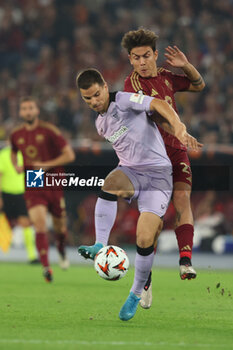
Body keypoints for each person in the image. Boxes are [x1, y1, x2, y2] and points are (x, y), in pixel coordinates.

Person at [76, 68, 201, 321]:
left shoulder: (123, 100)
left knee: (145, 239)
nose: (94, 102)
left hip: (158, 176)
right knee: (110, 181)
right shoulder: (100, 123)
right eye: (87, 99)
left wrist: (178, 126)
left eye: (97, 94)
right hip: (131, 172)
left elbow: (155, 103)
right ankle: (100, 245)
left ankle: (135, 293)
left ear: (104, 86)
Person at [121, 28, 205, 308]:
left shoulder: (167, 77)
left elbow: (198, 85)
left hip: (177, 148)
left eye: (146, 56)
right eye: (136, 58)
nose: (142, 62)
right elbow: (154, 116)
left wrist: (187, 65)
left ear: (155, 55)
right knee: (153, 223)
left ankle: (185, 260)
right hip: (151, 156)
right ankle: (146, 277)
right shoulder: (131, 85)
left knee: (182, 198)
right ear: (130, 60)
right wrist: (179, 130)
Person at [10, 96, 75, 282]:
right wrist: (16, 165)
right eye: (24, 109)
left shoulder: (49, 131)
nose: (28, 111)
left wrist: (47, 165)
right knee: (39, 225)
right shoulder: (16, 134)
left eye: (31, 108)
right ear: (21, 112)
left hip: (53, 180)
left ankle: (61, 250)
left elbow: (69, 155)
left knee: (59, 228)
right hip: (34, 179)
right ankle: (46, 267)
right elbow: (13, 151)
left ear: (37, 111)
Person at [0, 145, 38, 263]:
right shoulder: (4, 155)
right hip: (6, 195)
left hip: (23, 195)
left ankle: (32, 256)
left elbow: (35, 175)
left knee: (26, 223)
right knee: (3, 222)